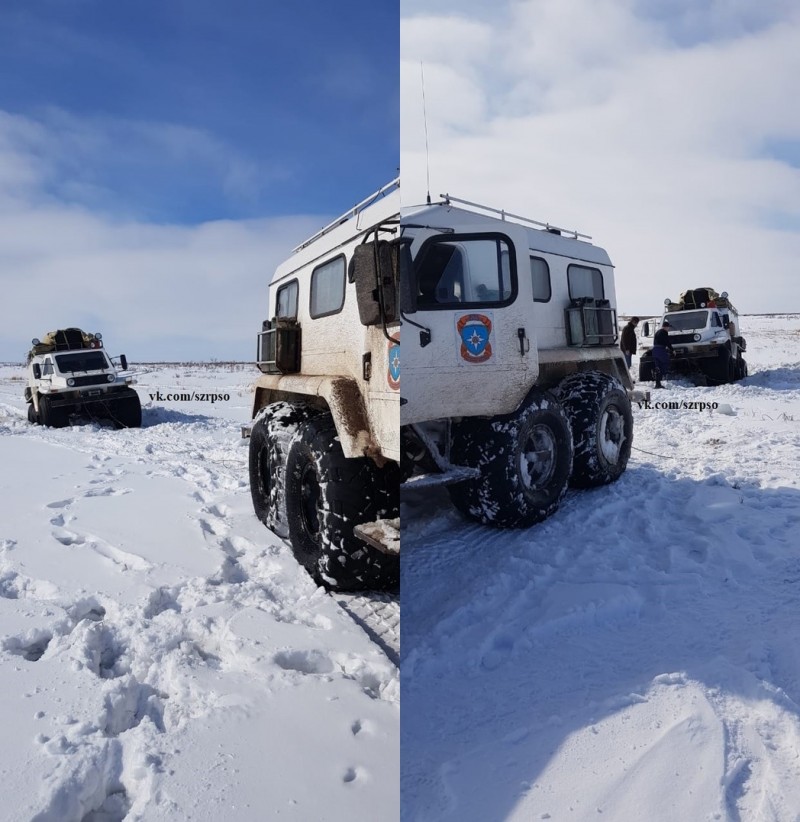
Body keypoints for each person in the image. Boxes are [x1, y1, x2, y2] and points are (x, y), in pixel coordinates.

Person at [652, 319, 674, 389]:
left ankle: (657, 384)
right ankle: (664, 375)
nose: (669, 329)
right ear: (665, 327)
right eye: (668, 327)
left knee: (658, 367)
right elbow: (667, 342)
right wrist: (672, 350)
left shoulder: (657, 332)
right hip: (660, 350)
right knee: (665, 363)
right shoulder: (664, 332)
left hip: (655, 350)